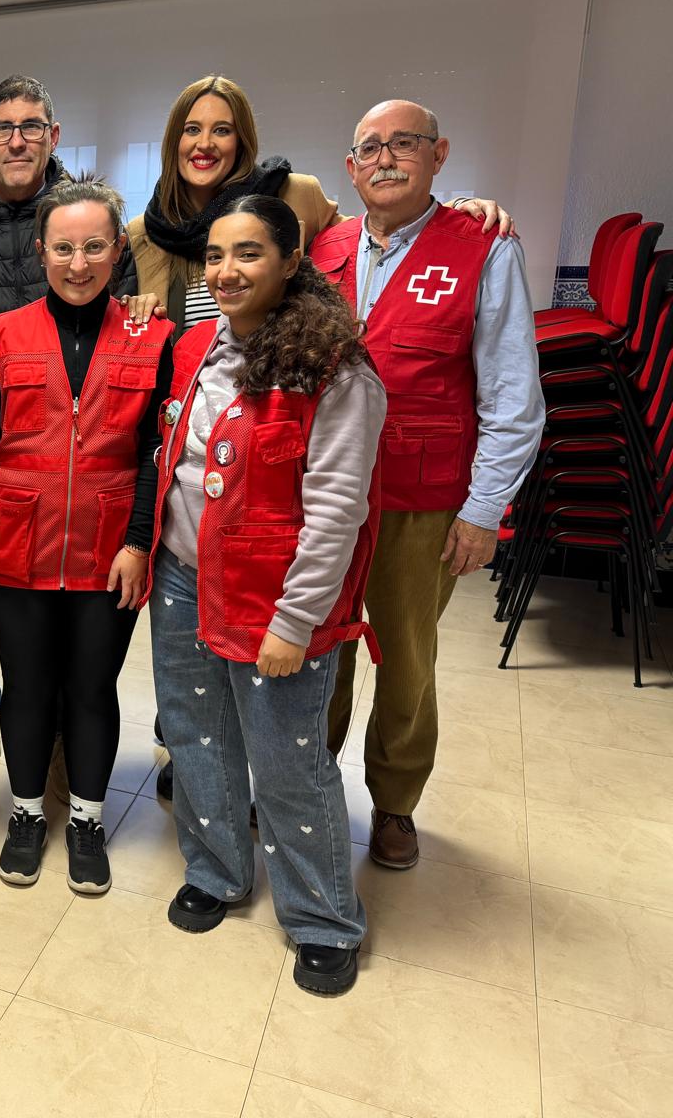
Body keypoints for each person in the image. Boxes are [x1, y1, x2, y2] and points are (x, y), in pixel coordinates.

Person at [128, 74, 511, 803]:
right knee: (264, 644)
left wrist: (456, 211)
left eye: (222, 128)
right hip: (225, 469)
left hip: (360, 472)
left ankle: (373, 801)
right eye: (190, 129)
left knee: (380, 653)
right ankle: (264, 777)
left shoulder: (298, 201)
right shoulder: (145, 232)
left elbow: (389, 220)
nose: (205, 143)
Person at [150, 194, 385, 997]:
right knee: (195, 736)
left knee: (287, 761)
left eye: (248, 253)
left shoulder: (336, 370)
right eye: (215, 256)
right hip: (183, 578)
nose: (226, 271)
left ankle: (322, 918)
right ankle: (217, 872)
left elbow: (337, 515)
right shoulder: (194, 350)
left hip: (276, 602)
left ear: (291, 261)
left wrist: (294, 623)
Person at [312, 100, 543, 870]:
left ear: (438, 155)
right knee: (319, 646)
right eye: (369, 147)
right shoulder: (324, 246)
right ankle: (307, 783)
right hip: (325, 493)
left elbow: (513, 396)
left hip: (423, 499)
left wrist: (483, 511)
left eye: (403, 143)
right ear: (350, 168)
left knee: (407, 657)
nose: (385, 158)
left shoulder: (483, 246)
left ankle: (395, 803)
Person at [0, 172, 171, 895]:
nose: (79, 264)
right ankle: (23, 815)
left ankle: (85, 819)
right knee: (29, 690)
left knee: (91, 689)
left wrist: (139, 542)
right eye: (64, 247)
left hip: (109, 553)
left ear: (116, 253)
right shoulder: (3, 336)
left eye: (96, 247)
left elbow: (152, 452)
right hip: (16, 547)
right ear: (41, 251)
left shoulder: (151, 338)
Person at [0, 75, 137, 793]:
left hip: (82, 466)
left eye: (32, 126)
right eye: (4, 127)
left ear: (54, 137)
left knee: (74, 613)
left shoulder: (90, 222)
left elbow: (126, 325)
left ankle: (66, 743)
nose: (18, 139)